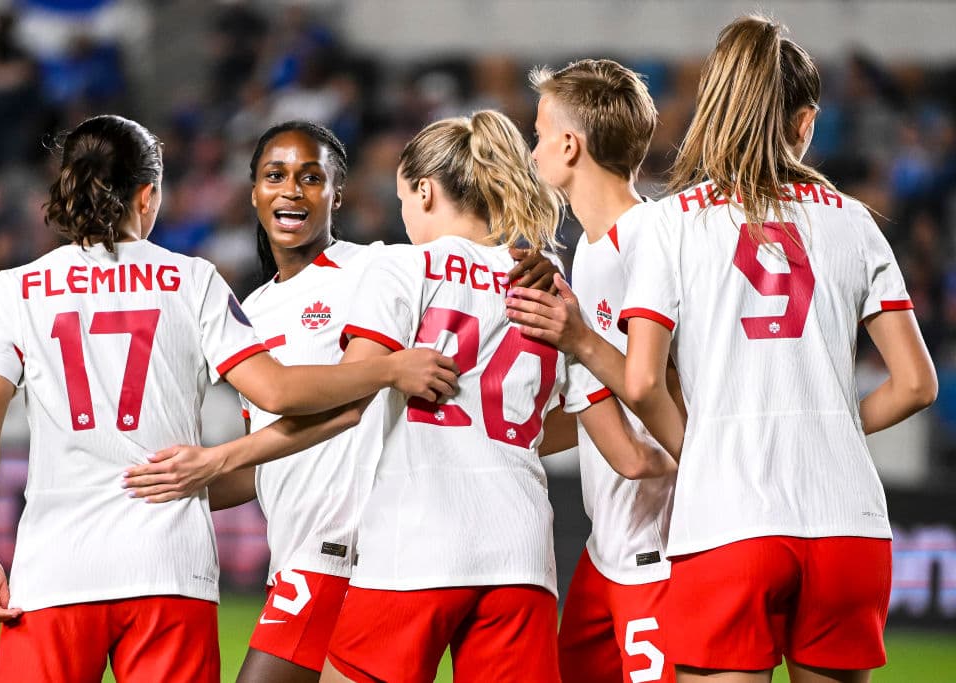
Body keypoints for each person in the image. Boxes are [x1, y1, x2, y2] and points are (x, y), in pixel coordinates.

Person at [0, 114, 457, 683]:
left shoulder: (17, 287)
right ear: (148, 195)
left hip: (55, 569)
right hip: (171, 569)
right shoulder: (192, 281)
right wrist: (389, 368)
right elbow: (278, 391)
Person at [521, 15, 937, 683]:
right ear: (806, 124)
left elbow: (645, 383)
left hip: (730, 521)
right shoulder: (853, 219)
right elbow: (917, 384)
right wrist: (825, 428)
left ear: (712, 106)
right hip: (850, 525)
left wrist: (710, 446)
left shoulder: (676, 223)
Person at [122, 120, 563, 683]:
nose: (291, 190)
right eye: (274, 176)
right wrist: (167, 491)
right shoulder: (249, 310)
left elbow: (456, 284)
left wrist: (521, 259)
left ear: (338, 192)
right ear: (252, 189)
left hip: (351, 549)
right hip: (305, 549)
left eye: (311, 177)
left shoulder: (374, 267)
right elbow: (273, 463)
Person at [318, 111, 671, 683]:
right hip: (521, 555)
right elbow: (629, 458)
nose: (405, 212)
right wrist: (692, 458)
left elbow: (348, 391)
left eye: (406, 198)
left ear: (425, 191)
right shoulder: (546, 282)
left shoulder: (403, 266)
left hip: (416, 541)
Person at [521, 58, 677, 683]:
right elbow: (605, 408)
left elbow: (636, 449)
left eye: (537, 134)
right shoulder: (590, 248)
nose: (533, 152)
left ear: (569, 143)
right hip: (608, 550)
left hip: (658, 551)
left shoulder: (655, 241)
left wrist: (576, 349)